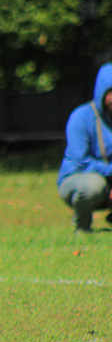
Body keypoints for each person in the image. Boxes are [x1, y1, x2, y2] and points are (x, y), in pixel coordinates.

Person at [57, 63, 112, 233]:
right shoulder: (81, 117)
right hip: (80, 179)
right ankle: (82, 227)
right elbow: (82, 162)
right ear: (102, 93)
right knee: (93, 186)